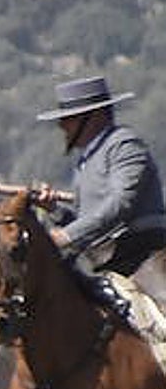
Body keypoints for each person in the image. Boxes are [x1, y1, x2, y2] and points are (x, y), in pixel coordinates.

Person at [35, 75, 166, 279]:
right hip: (110, 262)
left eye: (68, 118)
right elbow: (88, 222)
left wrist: (66, 235)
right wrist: (54, 210)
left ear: (94, 117)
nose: (62, 125)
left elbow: (120, 202)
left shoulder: (125, 147)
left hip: (146, 258)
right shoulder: (88, 159)